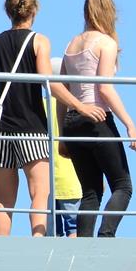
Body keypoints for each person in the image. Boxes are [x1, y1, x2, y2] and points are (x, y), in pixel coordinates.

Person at [0, 0, 106, 237]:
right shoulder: (39, 41)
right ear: (34, 10)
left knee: (3, 199)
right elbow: (50, 83)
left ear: (8, 11)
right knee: (39, 192)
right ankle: (37, 240)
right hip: (31, 128)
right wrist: (80, 106)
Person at [58, 0, 136, 238]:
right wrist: (130, 124)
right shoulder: (106, 43)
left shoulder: (71, 44)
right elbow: (104, 88)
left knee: (90, 192)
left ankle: (84, 243)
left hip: (72, 122)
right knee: (123, 186)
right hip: (98, 120)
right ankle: (106, 237)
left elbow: (62, 91)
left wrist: (62, 133)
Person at [46, 66, 81, 237]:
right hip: (73, 179)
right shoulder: (73, 107)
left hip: (44, 181)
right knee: (74, 229)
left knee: (52, 233)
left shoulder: (38, 107)